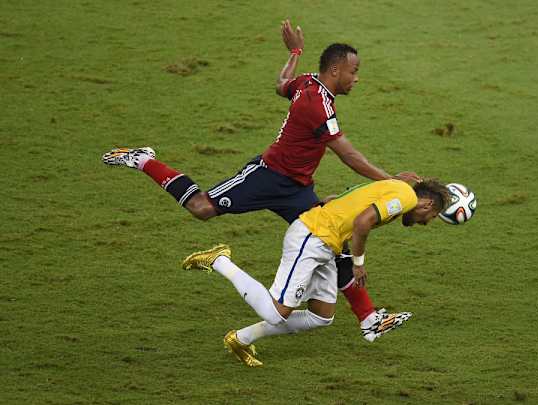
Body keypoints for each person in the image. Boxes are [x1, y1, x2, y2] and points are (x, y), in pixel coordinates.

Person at [102, 20, 418, 342]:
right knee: (202, 208)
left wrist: (295, 53)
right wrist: (393, 183)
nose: (357, 78)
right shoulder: (318, 105)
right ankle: (143, 159)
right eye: (354, 71)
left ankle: (368, 318)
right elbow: (349, 156)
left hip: (297, 188)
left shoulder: (307, 82)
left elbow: (281, 84)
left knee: (333, 240)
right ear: (335, 70)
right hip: (268, 175)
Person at [182, 178, 450, 367]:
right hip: (312, 238)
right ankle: (219, 260)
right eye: (433, 217)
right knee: (275, 313)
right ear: (428, 205)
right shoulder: (406, 197)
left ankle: (241, 339)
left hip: (325, 243)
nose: (426, 223)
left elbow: (336, 199)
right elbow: (362, 223)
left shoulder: (395, 187)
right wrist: (357, 263)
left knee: (320, 317)